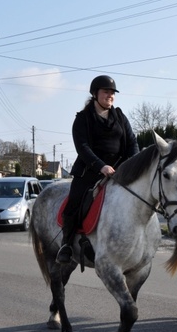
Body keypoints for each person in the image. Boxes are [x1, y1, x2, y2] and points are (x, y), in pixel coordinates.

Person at [56, 75, 139, 264]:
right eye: (106, 92)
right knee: (74, 203)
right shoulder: (83, 118)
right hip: (90, 171)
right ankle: (66, 244)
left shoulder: (120, 116)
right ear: (95, 94)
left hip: (119, 172)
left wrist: (131, 164)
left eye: (112, 93)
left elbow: (132, 142)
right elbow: (82, 147)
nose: (110, 96)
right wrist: (101, 166)